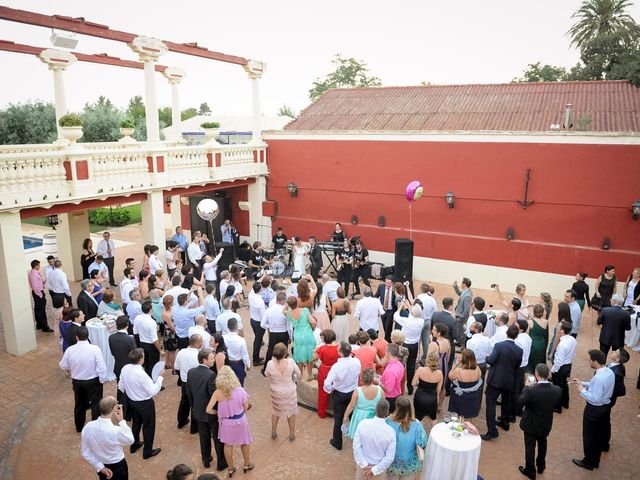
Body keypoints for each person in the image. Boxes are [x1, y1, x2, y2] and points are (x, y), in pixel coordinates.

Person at [205, 366, 254, 477]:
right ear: (232, 376)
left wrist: (219, 413)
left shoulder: (218, 393)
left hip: (226, 423)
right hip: (240, 420)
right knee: (245, 442)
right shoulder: (240, 390)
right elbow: (245, 407)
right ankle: (247, 464)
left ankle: (231, 469)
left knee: (228, 445)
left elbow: (208, 409)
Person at [571, 349, 615, 471]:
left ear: (595, 362)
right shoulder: (609, 372)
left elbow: (595, 398)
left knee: (589, 436)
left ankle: (588, 462)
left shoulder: (599, 378)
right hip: (604, 407)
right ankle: (595, 460)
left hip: (594, 410)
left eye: (590, 360)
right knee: (597, 436)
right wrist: (583, 383)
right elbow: (596, 385)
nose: (589, 361)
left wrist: (582, 390)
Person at [517, 363, 562, 479]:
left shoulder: (531, 391)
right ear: (548, 374)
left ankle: (530, 470)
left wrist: (526, 387)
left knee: (530, 447)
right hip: (545, 423)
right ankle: (541, 466)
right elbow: (556, 404)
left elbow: (520, 402)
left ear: (536, 375)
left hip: (530, 424)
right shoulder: (557, 390)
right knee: (543, 444)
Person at [118, 348, 164, 459]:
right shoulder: (141, 374)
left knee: (136, 424)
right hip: (145, 404)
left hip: (132, 401)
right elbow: (153, 391)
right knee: (148, 426)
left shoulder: (125, 368)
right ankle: (147, 452)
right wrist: (160, 377)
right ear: (141, 360)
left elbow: (121, 386)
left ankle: (134, 445)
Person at [59, 326, 107, 432]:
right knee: (95, 404)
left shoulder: (70, 350)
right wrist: (102, 380)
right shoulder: (95, 349)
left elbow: (63, 365)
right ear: (87, 336)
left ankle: (79, 427)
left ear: (76, 337)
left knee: (79, 404)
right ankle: (96, 427)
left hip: (77, 381)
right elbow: (101, 367)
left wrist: (70, 368)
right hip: (93, 381)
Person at [186, 348, 228, 471]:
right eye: (211, 358)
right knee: (217, 438)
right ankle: (221, 463)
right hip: (211, 413)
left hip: (198, 411)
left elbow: (188, 392)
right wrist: (218, 411)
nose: (213, 360)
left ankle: (206, 460)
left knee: (203, 437)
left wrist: (193, 407)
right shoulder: (211, 375)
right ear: (204, 360)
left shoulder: (191, 372)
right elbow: (213, 395)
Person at [481, 324, 523, 441]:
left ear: (506, 333)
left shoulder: (499, 346)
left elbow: (491, 360)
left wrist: (487, 357)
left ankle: (492, 431)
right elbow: (517, 366)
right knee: (506, 402)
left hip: (495, 380)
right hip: (509, 379)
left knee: (491, 404)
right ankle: (505, 422)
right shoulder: (519, 350)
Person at [81, 396, 134, 480]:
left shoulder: (88, 427)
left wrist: (100, 467)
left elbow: (85, 451)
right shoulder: (116, 431)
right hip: (118, 466)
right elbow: (130, 440)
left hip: (101, 465)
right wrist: (121, 421)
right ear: (114, 408)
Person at [324, 342, 361, 451]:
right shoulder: (356, 362)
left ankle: (337, 442)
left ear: (340, 353)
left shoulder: (336, 366)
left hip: (339, 394)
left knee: (338, 418)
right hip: (352, 392)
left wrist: (330, 390)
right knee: (353, 416)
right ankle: (357, 440)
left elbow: (327, 383)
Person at [352, 398, 396, 480]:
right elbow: (389, 457)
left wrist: (364, 465)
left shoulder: (362, 424)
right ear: (387, 412)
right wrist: (374, 470)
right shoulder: (391, 432)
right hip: (379, 471)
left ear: (375, 409)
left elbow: (356, 446)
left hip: (363, 469)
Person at [265, 342, 301, 440]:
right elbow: (299, 374)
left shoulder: (270, 363)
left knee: (276, 411)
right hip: (289, 391)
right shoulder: (291, 362)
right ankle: (292, 433)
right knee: (291, 412)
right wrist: (295, 379)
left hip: (276, 391)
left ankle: (273, 431)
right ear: (285, 353)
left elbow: (266, 374)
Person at [385, 396, 427, 480]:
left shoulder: (388, 421)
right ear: (409, 409)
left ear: (396, 408)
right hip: (409, 462)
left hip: (392, 461)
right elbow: (423, 441)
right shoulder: (416, 424)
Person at [343, 367, 384, 438]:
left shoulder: (357, 391)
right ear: (373, 379)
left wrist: (346, 416)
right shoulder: (380, 390)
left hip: (360, 417)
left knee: (359, 436)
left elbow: (351, 406)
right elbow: (383, 405)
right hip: (374, 416)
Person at [285, 296, 318, 381]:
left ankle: (300, 374)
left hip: (298, 334)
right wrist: (312, 329)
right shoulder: (305, 310)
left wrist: (287, 304)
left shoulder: (288, 313)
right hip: (307, 333)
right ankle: (309, 374)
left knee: (299, 354)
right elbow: (313, 322)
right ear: (297, 302)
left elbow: (283, 310)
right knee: (309, 354)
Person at [393, 302, 423, 395]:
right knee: (411, 366)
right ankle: (410, 387)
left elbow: (396, 316)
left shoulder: (406, 321)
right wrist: (410, 307)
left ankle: (398, 385)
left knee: (400, 365)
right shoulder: (421, 321)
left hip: (405, 345)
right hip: (414, 346)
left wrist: (400, 307)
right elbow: (414, 315)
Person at [175, 334, 203, 432]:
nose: (202, 343)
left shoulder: (181, 352)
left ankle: (181, 421)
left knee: (184, 401)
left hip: (184, 381)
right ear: (197, 343)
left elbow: (177, 367)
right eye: (201, 342)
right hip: (195, 383)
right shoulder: (198, 355)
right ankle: (194, 428)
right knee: (195, 404)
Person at [108, 315, 136, 414]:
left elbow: (112, 353)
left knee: (120, 389)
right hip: (129, 368)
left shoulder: (111, 338)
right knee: (130, 390)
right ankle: (129, 412)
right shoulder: (130, 339)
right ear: (127, 325)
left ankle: (121, 410)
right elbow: (134, 355)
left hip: (118, 366)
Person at [603, 348, 628, 454]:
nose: (612, 352)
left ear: (618, 359)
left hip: (607, 401)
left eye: (615, 352)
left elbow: (622, 391)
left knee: (604, 421)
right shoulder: (614, 365)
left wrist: (608, 393)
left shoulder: (617, 373)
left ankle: (604, 444)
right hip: (606, 399)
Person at [260, 292, 291, 374]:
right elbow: (289, 326)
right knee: (284, 351)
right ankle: (284, 369)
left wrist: (269, 327)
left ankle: (266, 369)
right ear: (283, 301)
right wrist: (290, 336)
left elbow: (262, 324)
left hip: (273, 333)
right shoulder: (285, 311)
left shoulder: (269, 310)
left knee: (270, 350)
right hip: (284, 333)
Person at [448, 348, 483, 419]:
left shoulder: (459, 371)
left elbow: (450, 376)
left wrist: (456, 364)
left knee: (458, 417)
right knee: (468, 418)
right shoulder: (478, 369)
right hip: (473, 397)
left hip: (460, 398)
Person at [314, 329, 341, 418]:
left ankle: (322, 413)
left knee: (322, 393)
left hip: (325, 371)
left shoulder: (322, 349)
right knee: (338, 392)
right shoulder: (339, 347)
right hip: (337, 371)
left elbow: (312, 358)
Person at [550, 322, 576, 413]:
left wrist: (553, 370)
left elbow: (559, 361)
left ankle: (557, 407)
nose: (557, 328)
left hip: (561, 367)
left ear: (562, 330)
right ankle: (565, 402)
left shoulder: (562, 345)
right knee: (564, 384)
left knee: (557, 387)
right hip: (568, 365)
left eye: (559, 327)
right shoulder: (572, 339)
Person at [412, 351, 443, 425]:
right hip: (432, 399)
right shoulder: (440, 373)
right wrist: (437, 399)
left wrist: (420, 382)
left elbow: (413, 383)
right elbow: (438, 390)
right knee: (433, 419)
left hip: (419, 397)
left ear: (427, 359)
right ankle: (436, 435)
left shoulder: (420, 370)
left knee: (417, 419)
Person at [510, 319, 532, 420]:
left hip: (518, 365)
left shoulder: (518, 340)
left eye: (516, 325)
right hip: (524, 364)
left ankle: (514, 411)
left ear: (521, 329)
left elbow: (515, 355)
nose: (514, 325)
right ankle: (519, 409)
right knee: (520, 386)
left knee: (515, 389)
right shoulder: (527, 337)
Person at [427, 323, 451, 410]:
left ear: (439, 333)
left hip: (435, 367)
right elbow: (448, 356)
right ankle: (440, 406)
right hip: (444, 366)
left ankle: (432, 405)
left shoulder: (434, 344)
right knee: (442, 387)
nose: (432, 331)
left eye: (434, 330)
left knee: (433, 387)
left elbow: (428, 359)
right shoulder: (447, 342)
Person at [135, 301, 162, 377]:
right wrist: (160, 350)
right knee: (153, 365)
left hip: (142, 344)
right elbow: (154, 339)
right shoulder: (151, 322)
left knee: (146, 364)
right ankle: (153, 382)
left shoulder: (137, 318)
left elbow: (135, 331)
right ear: (150, 310)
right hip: (151, 346)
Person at [223, 318, 250, 386]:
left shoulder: (223, 338)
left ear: (228, 327)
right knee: (239, 384)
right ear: (237, 327)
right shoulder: (241, 340)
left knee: (229, 384)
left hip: (227, 364)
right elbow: (245, 354)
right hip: (238, 364)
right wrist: (248, 365)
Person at [379, 343, 405, 413]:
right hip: (396, 393)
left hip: (390, 398)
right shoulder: (399, 364)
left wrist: (378, 382)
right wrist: (381, 378)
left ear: (389, 353)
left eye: (386, 351)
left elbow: (389, 389)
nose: (385, 353)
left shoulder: (390, 371)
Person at [28, 259, 52, 332]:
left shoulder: (32, 273)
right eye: (38, 265)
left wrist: (43, 282)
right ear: (36, 266)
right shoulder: (34, 274)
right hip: (38, 293)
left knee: (37, 309)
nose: (39, 266)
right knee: (41, 310)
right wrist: (40, 294)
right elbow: (35, 286)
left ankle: (39, 324)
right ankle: (45, 327)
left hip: (37, 292)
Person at [247, 282, 266, 366]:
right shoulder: (260, 302)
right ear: (260, 289)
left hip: (253, 320)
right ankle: (256, 359)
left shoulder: (251, 295)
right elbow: (263, 315)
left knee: (257, 339)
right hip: (259, 323)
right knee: (258, 341)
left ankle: (256, 357)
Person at [526, 305, 548, 373]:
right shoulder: (546, 322)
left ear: (534, 312)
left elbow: (526, 335)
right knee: (540, 362)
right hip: (542, 344)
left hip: (533, 345)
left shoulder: (529, 322)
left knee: (531, 364)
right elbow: (546, 336)